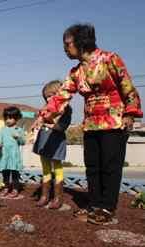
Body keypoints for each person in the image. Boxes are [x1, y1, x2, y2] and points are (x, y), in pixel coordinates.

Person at [34, 23, 143, 224]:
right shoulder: (76, 72)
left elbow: (127, 87)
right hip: (91, 123)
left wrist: (130, 113)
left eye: (68, 44)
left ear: (81, 42)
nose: (65, 48)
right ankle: (94, 205)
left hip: (114, 122)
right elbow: (61, 96)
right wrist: (43, 115)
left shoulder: (111, 59)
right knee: (92, 166)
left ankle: (107, 208)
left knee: (110, 166)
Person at [33, 80, 72, 209]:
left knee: (57, 167)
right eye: (47, 96)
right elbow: (39, 120)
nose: (49, 98)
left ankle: (57, 198)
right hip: (44, 141)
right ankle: (44, 196)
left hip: (56, 141)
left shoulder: (66, 109)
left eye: (52, 95)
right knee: (45, 168)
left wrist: (50, 123)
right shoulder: (45, 109)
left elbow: (62, 127)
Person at [0, 106, 26, 199]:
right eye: (6, 118)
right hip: (4, 155)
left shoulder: (19, 130)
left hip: (14, 156)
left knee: (15, 174)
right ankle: (6, 188)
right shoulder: (2, 129)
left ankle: (15, 189)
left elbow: (23, 142)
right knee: (5, 173)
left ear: (16, 118)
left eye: (10, 118)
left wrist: (18, 137)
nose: (8, 120)